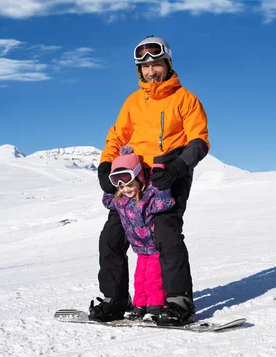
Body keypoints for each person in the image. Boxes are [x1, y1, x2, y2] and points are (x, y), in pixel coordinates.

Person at [89, 35, 210, 326]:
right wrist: (106, 166)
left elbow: (199, 140)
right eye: (145, 67)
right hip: (132, 181)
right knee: (112, 238)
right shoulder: (133, 102)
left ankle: (178, 302)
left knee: (166, 238)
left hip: (168, 178)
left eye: (156, 64)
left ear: (167, 64)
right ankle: (114, 300)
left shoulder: (186, 100)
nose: (151, 71)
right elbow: (117, 136)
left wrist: (178, 166)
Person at [94, 144, 175, 320]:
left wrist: (161, 183)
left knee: (154, 279)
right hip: (139, 249)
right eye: (121, 187)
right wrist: (107, 182)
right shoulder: (120, 200)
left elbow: (165, 203)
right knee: (140, 279)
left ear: (139, 178)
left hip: (153, 247)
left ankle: (156, 305)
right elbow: (108, 200)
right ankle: (140, 305)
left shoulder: (148, 196)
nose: (126, 190)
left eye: (130, 185)